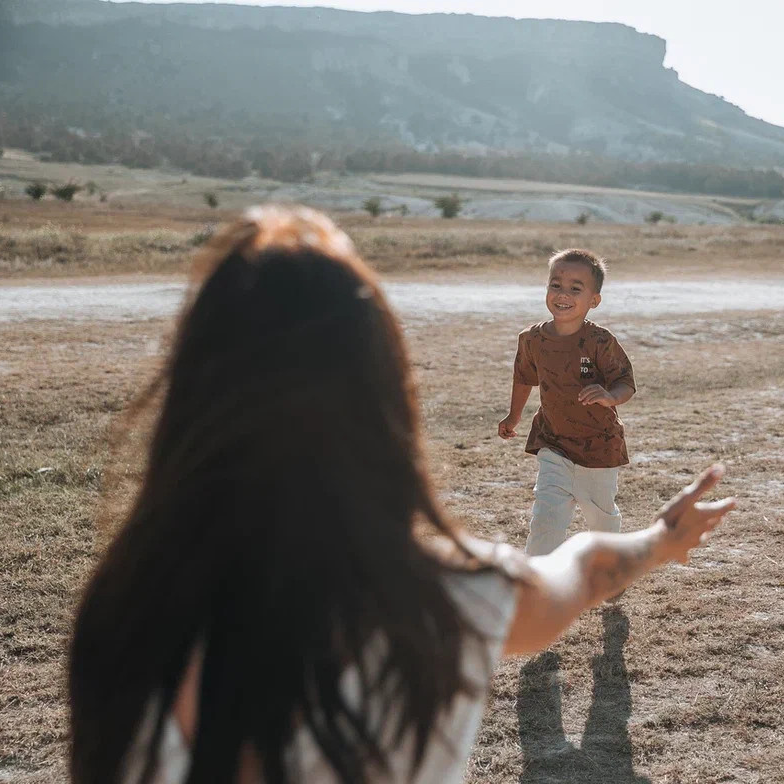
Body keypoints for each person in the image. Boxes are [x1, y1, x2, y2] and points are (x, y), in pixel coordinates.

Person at [68, 206, 736, 784]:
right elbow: (584, 568)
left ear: (188, 391)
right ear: (382, 397)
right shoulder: (446, 601)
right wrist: (661, 540)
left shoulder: (121, 610)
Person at [498, 249, 636, 556]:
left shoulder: (600, 341)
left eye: (576, 288)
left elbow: (626, 382)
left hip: (599, 446)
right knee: (546, 518)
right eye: (556, 285)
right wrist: (513, 416)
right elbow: (524, 378)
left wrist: (610, 396)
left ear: (594, 300)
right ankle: (538, 578)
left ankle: (609, 569)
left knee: (601, 520)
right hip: (554, 443)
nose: (563, 294)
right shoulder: (532, 339)